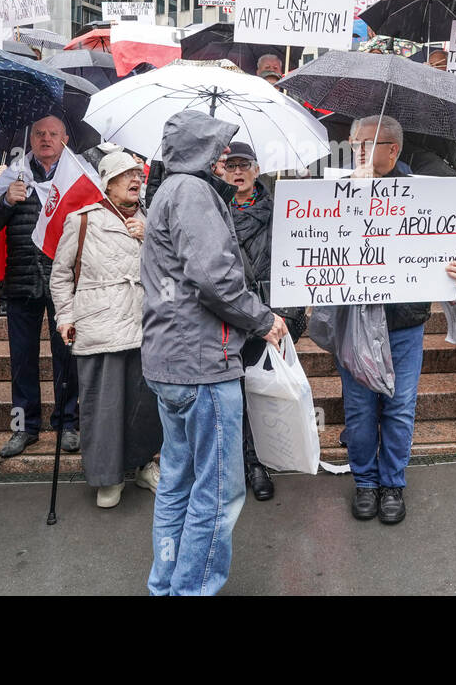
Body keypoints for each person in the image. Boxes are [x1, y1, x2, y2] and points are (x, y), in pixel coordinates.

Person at [140, 110, 288, 596]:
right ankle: (192, 589)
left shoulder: (169, 190)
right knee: (218, 493)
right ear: (202, 151)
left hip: (174, 361)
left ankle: (166, 582)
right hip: (202, 362)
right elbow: (214, 279)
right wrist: (263, 319)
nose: (226, 155)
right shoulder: (193, 192)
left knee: (179, 484)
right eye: (219, 146)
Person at [342, 115, 456, 522]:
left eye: (366, 143)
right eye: (354, 143)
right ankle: (365, 482)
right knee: (360, 409)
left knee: (398, 408)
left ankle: (392, 484)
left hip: (404, 323)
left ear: (392, 149)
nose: (357, 150)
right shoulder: (336, 192)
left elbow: (450, 245)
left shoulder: (424, 195)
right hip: (356, 322)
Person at [50, 150, 163, 507]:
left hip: (145, 326)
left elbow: (169, 271)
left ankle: (144, 466)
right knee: (104, 407)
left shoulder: (152, 220)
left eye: (138, 175)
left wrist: (151, 238)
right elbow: (61, 274)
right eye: (125, 175)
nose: (135, 180)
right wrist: (64, 317)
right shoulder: (83, 220)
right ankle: (107, 479)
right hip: (99, 325)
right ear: (108, 183)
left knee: (144, 406)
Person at [219, 141, 308, 500]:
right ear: (222, 171)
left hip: (271, 316)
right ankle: (235, 463)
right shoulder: (215, 210)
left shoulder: (282, 210)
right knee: (232, 394)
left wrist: (287, 313)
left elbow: (299, 259)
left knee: (260, 393)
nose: (238, 171)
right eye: (231, 165)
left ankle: (258, 463)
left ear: (258, 171)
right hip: (228, 314)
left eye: (245, 165)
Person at [0, 116, 80, 459]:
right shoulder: (14, 176)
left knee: (66, 357)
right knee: (22, 360)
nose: (45, 139)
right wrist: (5, 202)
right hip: (21, 280)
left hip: (63, 282)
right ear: (30, 139)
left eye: (53, 134)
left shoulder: (75, 178)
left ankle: (68, 423)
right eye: (39, 134)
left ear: (65, 139)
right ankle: (23, 428)